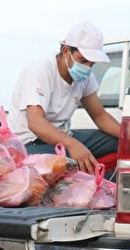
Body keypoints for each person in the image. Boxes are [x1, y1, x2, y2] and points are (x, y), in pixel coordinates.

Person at [9, 20, 120, 173]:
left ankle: (98, 181)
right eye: (83, 60)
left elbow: (100, 116)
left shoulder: (85, 76)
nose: (87, 68)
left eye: (92, 64)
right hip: (30, 142)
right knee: (70, 160)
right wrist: (73, 145)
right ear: (67, 51)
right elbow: (35, 123)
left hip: (64, 137)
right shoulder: (40, 70)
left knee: (120, 143)